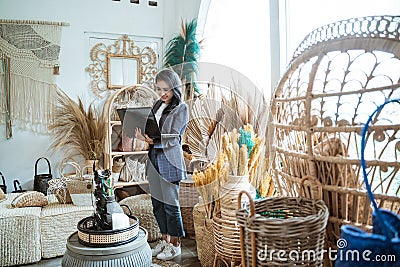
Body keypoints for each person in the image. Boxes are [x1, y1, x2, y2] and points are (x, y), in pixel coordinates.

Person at [135, 68, 189, 261]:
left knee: (170, 205)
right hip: (154, 159)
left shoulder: (181, 108)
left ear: (174, 87)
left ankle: (175, 245)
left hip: (170, 161)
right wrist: (142, 135)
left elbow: (174, 137)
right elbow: (153, 128)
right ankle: (165, 240)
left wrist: (153, 141)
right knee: (157, 204)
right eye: (159, 89)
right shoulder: (158, 104)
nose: (162, 94)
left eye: (166, 89)